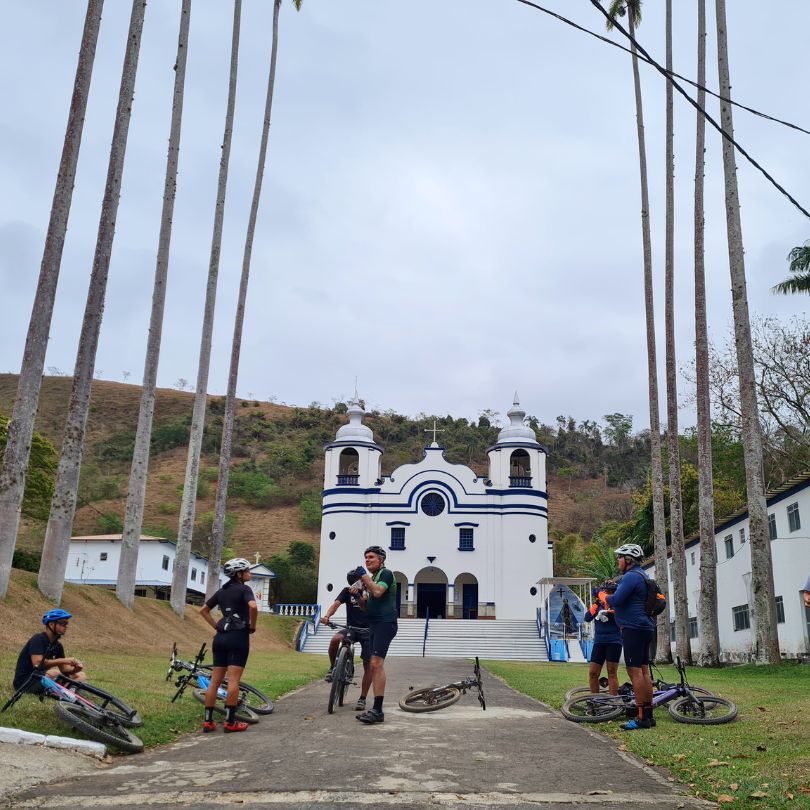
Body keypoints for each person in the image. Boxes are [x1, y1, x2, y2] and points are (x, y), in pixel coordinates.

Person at [199, 557, 257, 733]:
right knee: (233, 680)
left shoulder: (222, 591)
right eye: (247, 570)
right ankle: (230, 722)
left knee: (215, 681)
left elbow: (203, 610)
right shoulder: (245, 589)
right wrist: (252, 626)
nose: (249, 573)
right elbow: (253, 607)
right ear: (239, 574)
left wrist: (216, 625)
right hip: (238, 636)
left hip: (220, 637)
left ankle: (208, 722)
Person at [603, 543, 656, 730]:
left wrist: (604, 597)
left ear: (628, 559)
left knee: (635, 673)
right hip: (646, 627)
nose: (618, 561)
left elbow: (616, 600)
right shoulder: (643, 575)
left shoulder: (631, 576)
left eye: (620, 557)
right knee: (643, 672)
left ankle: (641, 718)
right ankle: (649, 716)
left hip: (633, 628)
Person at [355, 545, 398, 724]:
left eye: (371, 557)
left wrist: (363, 575)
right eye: (365, 557)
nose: (367, 560)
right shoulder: (373, 579)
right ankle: (376, 709)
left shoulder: (386, 574)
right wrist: (359, 597)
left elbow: (378, 592)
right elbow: (366, 607)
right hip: (374, 624)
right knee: (373, 666)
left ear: (381, 559)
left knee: (376, 663)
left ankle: (378, 710)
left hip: (385, 623)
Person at [321, 568, 372, 712]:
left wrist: (360, 596)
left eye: (359, 580)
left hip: (368, 631)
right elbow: (336, 604)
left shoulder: (369, 591)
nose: (357, 584)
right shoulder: (346, 591)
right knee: (335, 639)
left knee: (368, 665)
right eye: (354, 581)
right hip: (352, 628)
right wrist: (327, 616)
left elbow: (366, 608)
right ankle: (333, 668)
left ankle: (362, 698)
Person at [13, 609, 87, 691]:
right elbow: (37, 664)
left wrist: (76, 669)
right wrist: (64, 660)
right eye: (63, 623)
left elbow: (64, 669)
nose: (66, 626)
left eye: (67, 623)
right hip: (25, 681)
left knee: (81, 675)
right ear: (51, 624)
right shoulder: (38, 639)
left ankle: (66, 690)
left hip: (42, 678)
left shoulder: (58, 645)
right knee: (55, 673)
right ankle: (67, 689)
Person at [583, 582, 622, 696]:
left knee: (612, 672)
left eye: (611, 591)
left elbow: (621, 616)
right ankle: (595, 700)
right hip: (599, 641)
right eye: (606, 591)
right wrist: (597, 606)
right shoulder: (599, 603)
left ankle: (612, 702)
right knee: (593, 673)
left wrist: (609, 612)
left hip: (614, 641)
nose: (607, 593)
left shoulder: (617, 602)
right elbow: (587, 617)